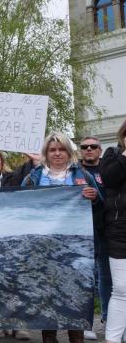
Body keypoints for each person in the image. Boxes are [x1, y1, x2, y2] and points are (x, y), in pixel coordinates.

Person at [21, 132, 101, 343]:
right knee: (47, 294)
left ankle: (77, 338)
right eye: (52, 150)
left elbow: (101, 205)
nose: (57, 153)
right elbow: (19, 204)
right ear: (46, 153)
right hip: (43, 248)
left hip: (76, 248)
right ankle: (49, 339)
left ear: (69, 152)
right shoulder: (34, 177)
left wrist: (93, 198)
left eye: (61, 149)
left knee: (77, 294)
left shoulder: (82, 175)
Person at [78, 136, 110, 341]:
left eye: (93, 146)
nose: (89, 149)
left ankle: (109, 320)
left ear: (100, 150)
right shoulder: (73, 172)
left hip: (106, 229)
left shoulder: (108, 171)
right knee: (83, 277)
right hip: (81, 230)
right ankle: (84, 323)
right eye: (84, 147)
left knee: (107, 277)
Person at [99, 120, 126, 343]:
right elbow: (109, 179)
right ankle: (112, 339)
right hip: (120, 231)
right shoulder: (112, 154)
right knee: (121, 289)